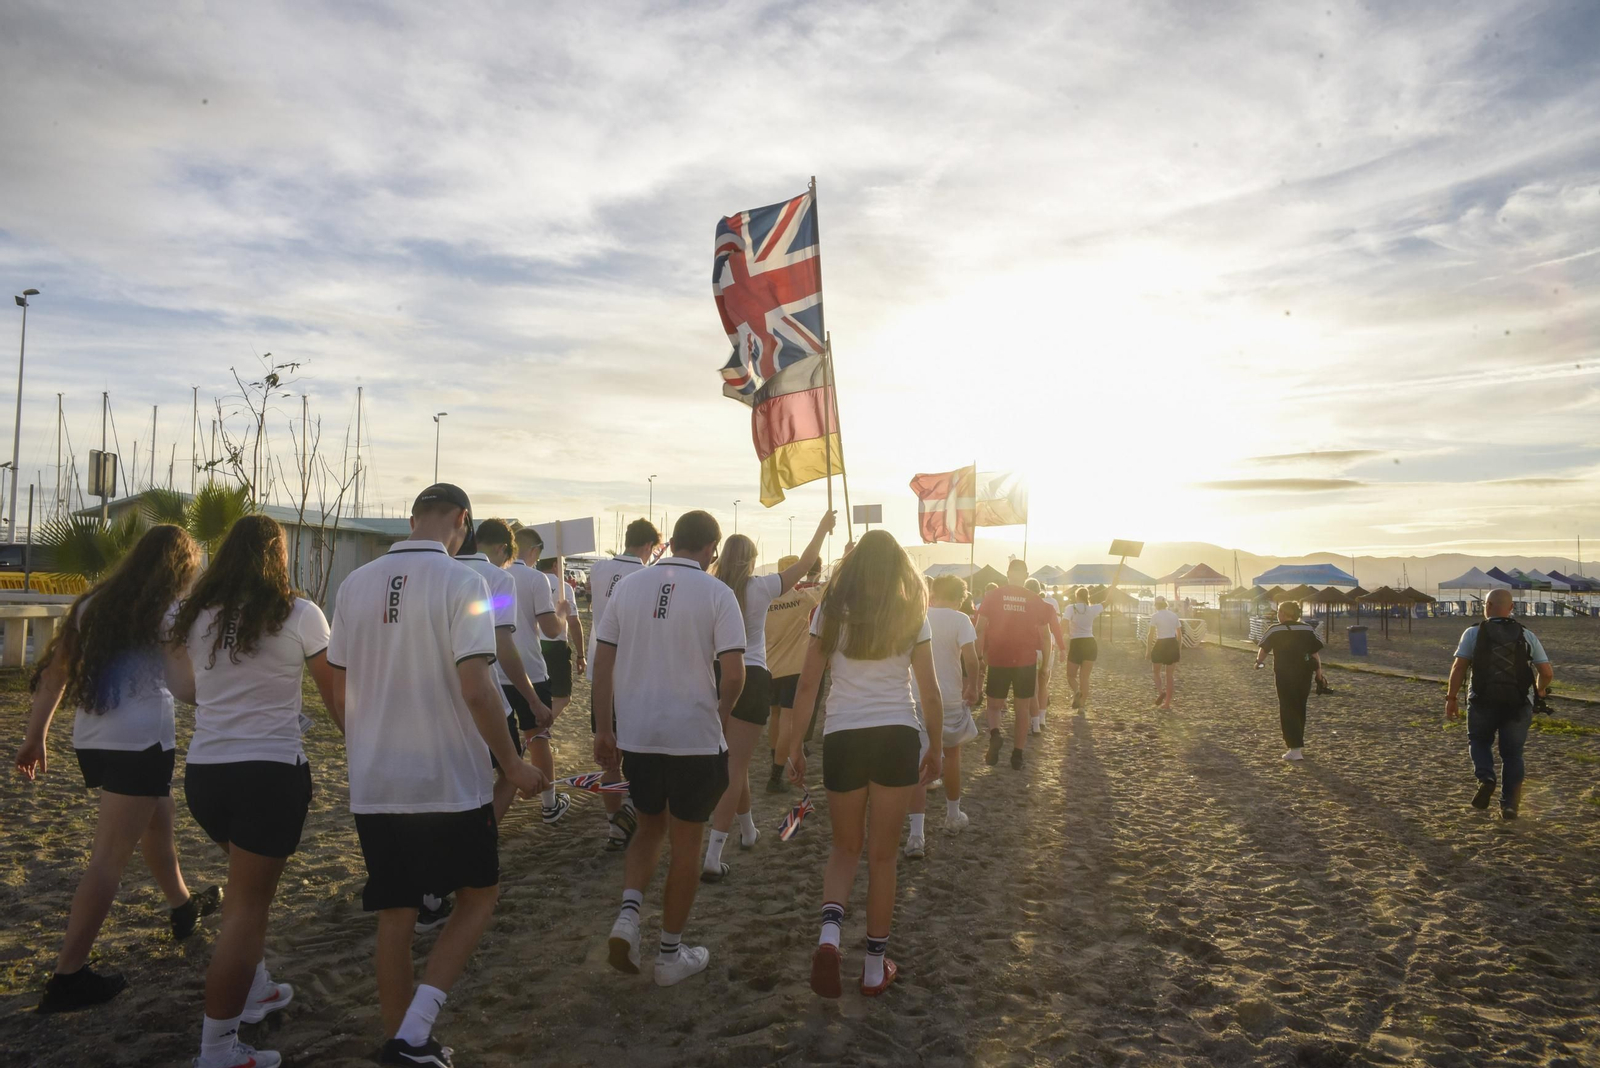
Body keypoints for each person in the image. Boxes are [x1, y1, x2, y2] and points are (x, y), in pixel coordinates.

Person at [328, 484, 545, 1066]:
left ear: (411, 518)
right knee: (478, 895)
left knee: (396, 912)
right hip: (446, 776)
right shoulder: (464, 582)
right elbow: (478, 687)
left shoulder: (354, 584)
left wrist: (363, 741)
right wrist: (513, 763)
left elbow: (339, 682)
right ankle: (415, 1028)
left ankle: (405, 1041)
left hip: (377, 779)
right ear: (462, 522)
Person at [14, 524, 219, 1014]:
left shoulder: (92, 604)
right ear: (179, 568)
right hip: (141, 742)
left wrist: (35, 735)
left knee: (158, 816)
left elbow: (55, 674)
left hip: (96, 740)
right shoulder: (165, 612)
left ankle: (182, 907)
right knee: (109, 857)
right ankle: (68, 976)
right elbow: (185, 688)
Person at [170, 515, 344, 1068]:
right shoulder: (298, 613)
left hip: (206, 775)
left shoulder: (195, 614)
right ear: (278, 555)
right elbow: (335, 699)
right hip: (267, 775)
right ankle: (218, 1048)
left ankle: (259, 988)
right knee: (244, 910)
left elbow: (187, 688)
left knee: (247, 895)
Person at [786, 530, 940, 998]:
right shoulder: (912, 612)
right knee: (883, 856)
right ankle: (874, 968)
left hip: (843, 735)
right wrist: (934, 745)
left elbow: (807, 686)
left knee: (844, 848)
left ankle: (830, 938)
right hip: (895, 733)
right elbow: (930, 690)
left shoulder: (829, 613)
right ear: (900, 570)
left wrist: (795, 744)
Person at [593, 511, 745, 987]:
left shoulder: (629, 586)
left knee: (648, 828)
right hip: (692, 736)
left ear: (671, 541)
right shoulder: (718, 592)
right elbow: (735, 673)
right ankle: (669, 955)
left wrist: (603, 728)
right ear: (711, 550)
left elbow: (603, 663)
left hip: (639, 732)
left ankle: (628, 916)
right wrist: (718, 717)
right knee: (687, 842)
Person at [702, 510, 835, 882]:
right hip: (751, 673)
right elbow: (807, 564)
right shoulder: (759, 587)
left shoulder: (712, 588)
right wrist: (822, 530)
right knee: (734, 766)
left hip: (713, 674)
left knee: (735, 760)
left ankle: (747, 831)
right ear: (752, 560)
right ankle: (713, 853)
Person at [455, 518, 556, 825]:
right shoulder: (496, 577)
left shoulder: (441, 570)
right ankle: (483, 835)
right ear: (502, 549)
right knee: (511, 769)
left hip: (438, 696)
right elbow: (502, 644)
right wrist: (533, 700)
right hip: (485, 691)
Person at [584, 519, 661, 847]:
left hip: (602, 671)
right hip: (633, 673)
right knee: (640, 753)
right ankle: (635, 814)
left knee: (609, 755)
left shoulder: (598, 569)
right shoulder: (645, 577)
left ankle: (615, 825)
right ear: (647, 546)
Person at [1445, 589, 1554, 819]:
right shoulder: (1526, 634)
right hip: (1518, 703)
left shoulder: (1473, 633)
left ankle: (1486, 778)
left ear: (1488, 605)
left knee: (1479, 741)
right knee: (1513, 754)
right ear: (1511, 608)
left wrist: (1451, 698)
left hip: (1482, 700)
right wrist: (1540, 689)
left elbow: (1459, 668)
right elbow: (1546, 671)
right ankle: (1510, 806)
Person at [904, 574, 980, 858]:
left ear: (932, 592)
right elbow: (971, 660)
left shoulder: (918, 616)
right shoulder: (961, 620)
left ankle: (916, 834)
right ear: (961, 597)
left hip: (918, 694)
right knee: (952, 756)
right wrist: (974, 687)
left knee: (919, 762)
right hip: (949, 697)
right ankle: (952, 815)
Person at [506, 526, 572, 851]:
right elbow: (549, 628)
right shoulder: (535, 579)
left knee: (499, 743)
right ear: (535, 551)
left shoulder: (493, 575)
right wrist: (561, 615)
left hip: (495, 671)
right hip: (530, 670)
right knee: (538, 737)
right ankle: (549, 803)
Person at [976, 561, 1056, 770]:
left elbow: (980, 628)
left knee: (993, 706)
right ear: (1027, 575)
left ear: (1008, 573)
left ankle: (995, 734)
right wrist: (1046, 664)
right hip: (1025, 660)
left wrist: (979, 657)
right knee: (1022, 709)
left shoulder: (993, 596)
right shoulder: (1035, 599)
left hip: (998, 657)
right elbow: (1046, 637)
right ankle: (1018, 754)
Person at [762, 556, 825, 794]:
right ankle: (775, 776)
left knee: (775, 716)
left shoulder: (765, 601)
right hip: (793, 670)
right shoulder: (801, 599)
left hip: (770, 668)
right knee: (788, 720)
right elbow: (829, 586)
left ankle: (774, 760)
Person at [1254, 600, 1327, 762]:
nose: (1278, 615)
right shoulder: (1308, 629)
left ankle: (1295, 749)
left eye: (1280, 612)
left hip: (1284, 674)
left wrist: (1259, 662)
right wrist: (1319, 675)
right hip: (1304, 674)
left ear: (1285, 614)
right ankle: (1297, 744)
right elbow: (1315, 654)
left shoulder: (1275, 629)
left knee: (1288, 708)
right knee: (1300, 707)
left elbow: (1264, 649)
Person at [1063, 565, 1124, 712]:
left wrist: (1062, 639)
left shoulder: (1071, 608)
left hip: (1077, 643)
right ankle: (1082, 706)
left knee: (1071, 675)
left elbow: (1063, 624)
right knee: (1085, 677)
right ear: (1087, 597)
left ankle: (1076, 691)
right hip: (1090, 643)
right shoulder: (1092, 609)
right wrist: (1113, 586)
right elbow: (1107, 601)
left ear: (1077, 596)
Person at [535, 553, 585, 725]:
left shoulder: (531, 581)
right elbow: (573, 622)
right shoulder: (563, 587)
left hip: (532, 642)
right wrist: (580, 654)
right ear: (556, 565)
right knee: (563, 697)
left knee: (537, 693)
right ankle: (538, 732)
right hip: (555, 644)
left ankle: (536, 734)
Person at [1023, 578, 1062, 728]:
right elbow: (1054, 629)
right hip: (1047, 648)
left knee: (1033, 688)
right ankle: (1042, 718)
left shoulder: (1024, 607)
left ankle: (1035, 723)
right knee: (1043, 683)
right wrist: (1062, 647)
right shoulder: (1047, 607)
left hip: (1030, 649)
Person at [1146, 596, 1182, 711]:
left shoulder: (1155, 616)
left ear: (1156, 605)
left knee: (1156, 671)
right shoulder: (1173, 615)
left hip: (1160, 643)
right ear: (1166, 604)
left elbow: (1150, 635)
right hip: (1172, 643)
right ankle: (1167, 704)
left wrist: (1148, 650)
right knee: (1169, 675)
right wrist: (1179, 648)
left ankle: (1161, 692)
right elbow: (1179, 634)